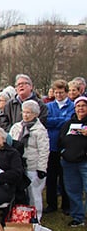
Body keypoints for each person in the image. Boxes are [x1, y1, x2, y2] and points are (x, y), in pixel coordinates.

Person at [9, 100, 49, 220]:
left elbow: (44, 150)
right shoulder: (17, 127)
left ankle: (36, 217)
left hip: (33, 165)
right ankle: (20, 216)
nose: (25, 115)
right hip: (18, 163)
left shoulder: (40, 130)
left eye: (29, 113)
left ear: (35, 114)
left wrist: (41, 168)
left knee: (34, 193)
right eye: (24, 112)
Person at [44, 80, 74, 214]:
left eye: (61, 93)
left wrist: (55, 121)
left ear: (66, 92)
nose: (58, 95)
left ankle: (66, 205)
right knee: (51, 177)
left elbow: (69, 122)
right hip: (51, 146)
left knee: (65, 177)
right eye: (56, 93)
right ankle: (51, 204)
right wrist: (61, 120)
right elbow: (46, 121)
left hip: (65, 146)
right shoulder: (48, 106)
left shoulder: (72, 106)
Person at [59, 96, 87, 227]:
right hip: (69, 162)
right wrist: (63, 152)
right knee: (73, 190)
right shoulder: (68, 124)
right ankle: (78, 217)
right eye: (78, 106)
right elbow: (61, 139)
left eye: (84, 106)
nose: (81, 108)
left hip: (84, 162)